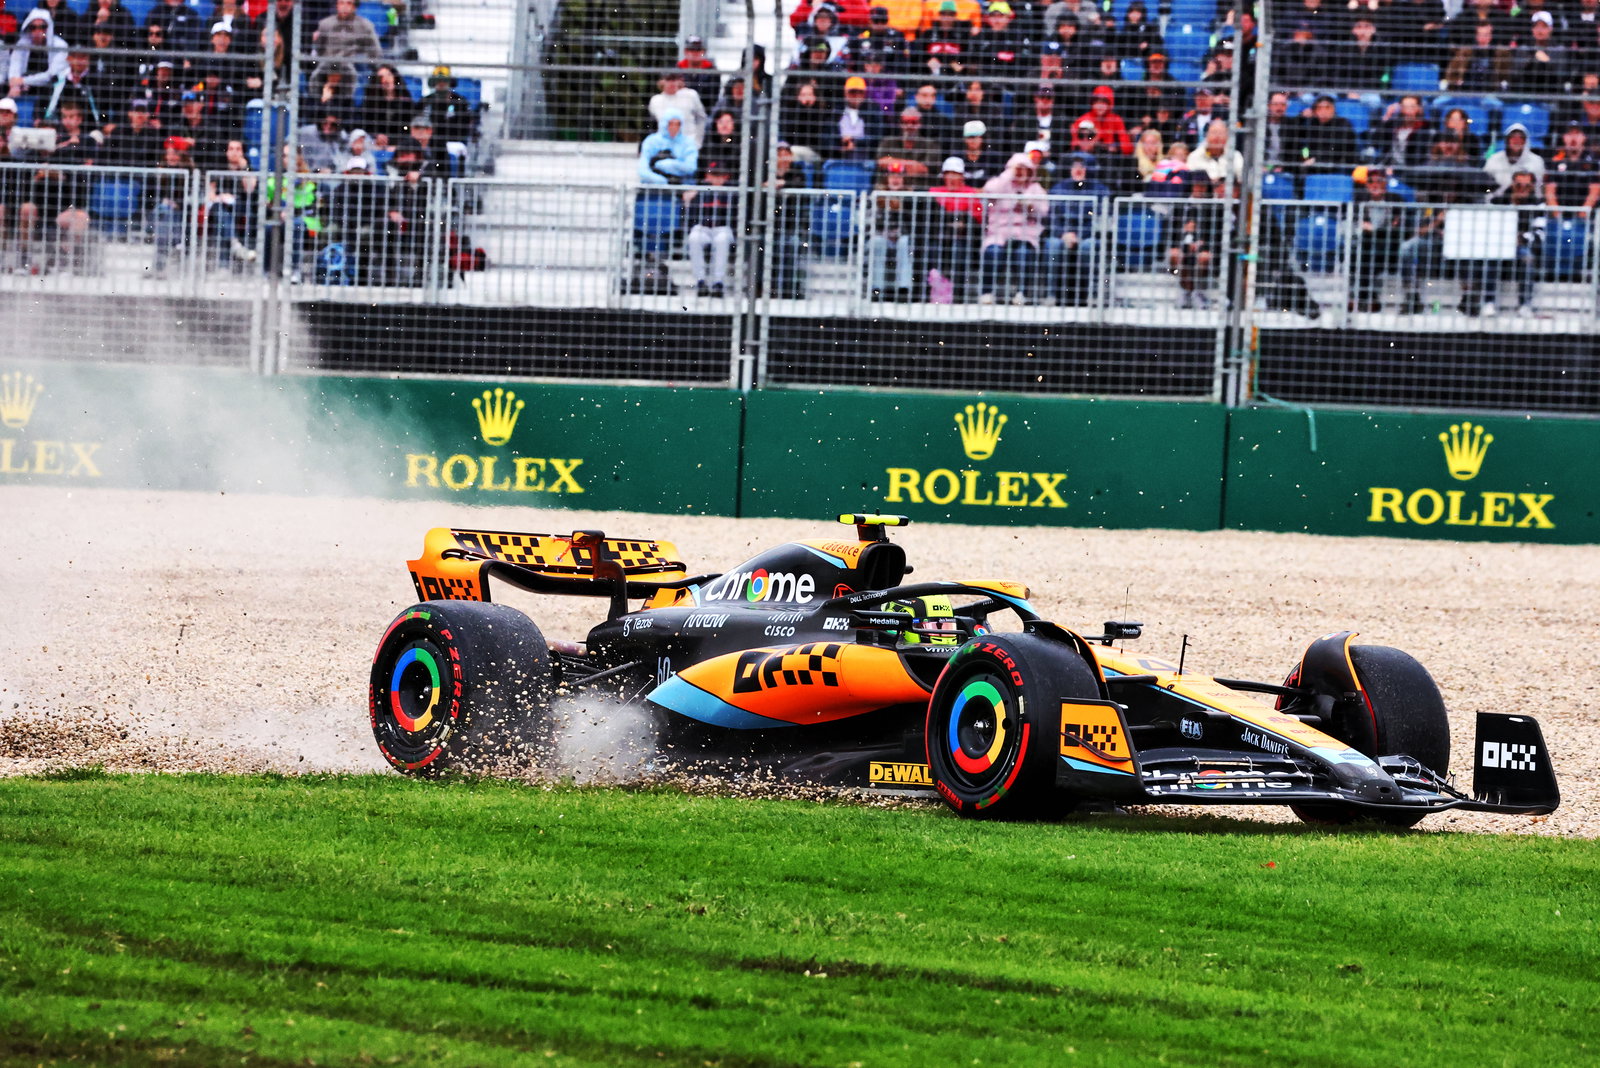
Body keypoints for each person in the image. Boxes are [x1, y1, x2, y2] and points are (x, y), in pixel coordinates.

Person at [979, 151, 1048, 304]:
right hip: (999, 233)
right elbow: (989, 191)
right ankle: (987, 293)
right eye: (1018, 168)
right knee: (993, 252)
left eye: (1024, 169)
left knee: (1023, 253)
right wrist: (1009, 174)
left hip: (1025, 234)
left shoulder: (1035, 188)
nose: (1020, 172)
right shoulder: (1001, 184)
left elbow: (1044, 211)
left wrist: (1030, 206)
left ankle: (1021, 294)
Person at [1044, 152, 1108, 305]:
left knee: (1089, 246)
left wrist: (1079, 234)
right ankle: (1050, 294)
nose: (1078, 170)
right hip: (1063, 235)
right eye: (1074, 166)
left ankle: (1093, 294)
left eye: (1082, 166)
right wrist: (1063, 234)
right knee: (1052, 244)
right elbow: (1052, 217)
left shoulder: (1100, 190)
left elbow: (1100, 218)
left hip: (1087, 235)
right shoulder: (1058, 189)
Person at [1485, 168, 1546, 316]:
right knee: (1490, 257)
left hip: (1522, 245)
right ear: (1512, 184)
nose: (1522, 189)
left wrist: (1521, 238)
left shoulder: (1538, 204)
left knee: (1527, 257)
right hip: (1498, 244)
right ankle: (1488, 302)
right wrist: (1506, 238)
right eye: (1519, 185)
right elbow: (1487, 226)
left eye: (1527, 186)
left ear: (1532, 186)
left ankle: (1525, 304)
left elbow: (1540, 234)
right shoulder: (1497, 201)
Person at [1351, 167, 1409, 313]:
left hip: (1390, 245)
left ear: (1386, 183)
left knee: (1367, 255)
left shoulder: (1396, 199)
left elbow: (1398, 225)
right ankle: (1367, 299)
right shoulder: (1360, 199)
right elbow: (1355, 221)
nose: (1375, 185)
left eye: (1379, 181)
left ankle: (1363, 298)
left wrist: (1373, 228)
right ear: (1366, 184)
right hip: (1367, 244)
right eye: (1371, 181)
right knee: (1360, 252)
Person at [1166, 170, 1225, 309]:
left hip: (1204, 246)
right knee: (1175, 254)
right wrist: (1184, 232)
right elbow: (1171, 231)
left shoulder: (1214, 207)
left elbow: (1216, 233)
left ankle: (1195, 291)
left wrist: (1200, 241)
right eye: (1197, 185)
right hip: (1182, 244)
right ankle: (1185, 291)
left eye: (1203, 186)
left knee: (1204, 257)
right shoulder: (1180, 205)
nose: (1199, 189)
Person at [866, 160, 921, 300]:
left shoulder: (911, 196)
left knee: (904, 243)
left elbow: (914, 222)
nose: (895, 180)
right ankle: (876, 289)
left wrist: (900, 209)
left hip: (902, 237)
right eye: (892, 176)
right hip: (882, 235)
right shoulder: (877, 195)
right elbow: (869, 220)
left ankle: (904, 289)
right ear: (887, 178)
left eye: (899, 176)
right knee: (877, 242)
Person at [761, 141, 810, 299]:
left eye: (785, 154)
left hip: (791, 225)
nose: (782, 158)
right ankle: (769, 287)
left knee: (792, 244)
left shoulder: (797, 171)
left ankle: (790, 287)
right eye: (779, 154)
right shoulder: (765, 171)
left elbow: (801, 185)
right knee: (766, 246)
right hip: (769, 225)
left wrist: (783, 183)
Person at [683, 158, 737, 297]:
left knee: (722, 240)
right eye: (713, 175)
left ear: (726, 176)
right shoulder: (700, 190)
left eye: (720, 175)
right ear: (707, 176)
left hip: (723, 229)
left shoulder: (733, 191)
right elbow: (690, 216)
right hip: (703, 228)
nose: (717, 179)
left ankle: (718, 282)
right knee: (694, 238)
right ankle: (700, 280)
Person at [205, 137, 260, 269]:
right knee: (220, 211)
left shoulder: (249, 169)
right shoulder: (218, 169)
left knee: (223, 221)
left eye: (238, 149)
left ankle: (224, 265)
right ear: (226, 152)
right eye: (231, 149)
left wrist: (244, 168)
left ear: (243, 152)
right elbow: (210, 194)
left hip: (241, 207)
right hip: (221, 206)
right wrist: (221, 197)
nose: (234, 152)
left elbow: (249, 188)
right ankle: (235, 245)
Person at [312, 0, 382, 97]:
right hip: (327, 65)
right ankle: (315, 99)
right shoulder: (325, 24)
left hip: (353, 66)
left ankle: (348, 100)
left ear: (355, 7)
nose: (344, 7)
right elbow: (318, 51)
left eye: (349, 3)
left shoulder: (365, 26)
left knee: (351, 73)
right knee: (316, 75)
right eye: (341, 3)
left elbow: (375, 52)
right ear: (337, 5)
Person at [149, 133, 194, 275]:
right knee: (164, 212)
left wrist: (177, 204)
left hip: (183, 213)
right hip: (162, 213)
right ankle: (176, 245)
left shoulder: (190, 172)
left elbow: (193, 197)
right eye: (168, 153)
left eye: (174, 153)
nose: (170, 157)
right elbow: (151, 196)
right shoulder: (161, 171)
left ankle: (159, 266)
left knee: (167, 216)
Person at [874, 105, 942, 186]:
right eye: (905, 122)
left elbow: (924, 169)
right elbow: (881, 163)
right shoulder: (888, 142)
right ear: (900, 124)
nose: (909, 126)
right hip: (890, 189)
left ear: (920, 124)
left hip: (920, 189)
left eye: (913, 122)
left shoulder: (931, 144)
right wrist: (912, 165)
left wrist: (894, 164)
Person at [9, 11, 70, 101]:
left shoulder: (60, 46)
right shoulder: (22, 43)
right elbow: (15, 68)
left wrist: (23, 81)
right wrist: (15, 85)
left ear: (49, 28)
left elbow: (51, 75)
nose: (38, 31)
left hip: (49, 88)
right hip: (24, 86)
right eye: (33, 27)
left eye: (42, 27)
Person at [1296, 94, 1358, 177]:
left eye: (1327, 108)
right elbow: (1297, 138)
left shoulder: (1344, 124)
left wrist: (1315, 160)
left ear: (1334, 109)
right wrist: (1301, 117)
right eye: (1319, 108)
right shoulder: (1312, 124)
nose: (1323, 111)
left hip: (1337, 166)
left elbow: (1337, 151)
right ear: (1314, 111)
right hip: (1313, 166)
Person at [1545, 123, 1600, 215]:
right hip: (1559, 211)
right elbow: (1550, 191)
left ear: (1584, 137)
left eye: (1577, 133)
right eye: (1570, 134)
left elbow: (1594, 191)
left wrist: (1583, 213)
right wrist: (1557, 214)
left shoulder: (1592, 160)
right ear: (1564, 137)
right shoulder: (1556, 159)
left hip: (1586, 212)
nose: (1573, 138)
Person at [418, 65, 478, 146]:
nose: (441, 83)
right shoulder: (425, 101)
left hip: (454, 143)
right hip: (430, 143)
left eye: (444, 81)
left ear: (450, 82)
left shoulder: (460, 101)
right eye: (438, 81)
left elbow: (469, 121)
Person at [360, 64, 415, 149]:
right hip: (375, 144)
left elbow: (408, 128)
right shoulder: (370, 103)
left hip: (400, 144)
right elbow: (366, 125)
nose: (386, 80)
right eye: (381, 77)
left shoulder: (406, 102)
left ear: (394, 77)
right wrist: (376, 135)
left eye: (388, 75)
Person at [648, 69, 707, 147]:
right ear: (661, 82)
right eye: (668, 79)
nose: (672, 83)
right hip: (664, 147)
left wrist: (698, 141)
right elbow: (652, 126)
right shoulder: (655, 100)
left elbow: (701, 119)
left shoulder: (690, 95)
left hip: (688, 145)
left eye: (675, 79)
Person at [637, 110, 698, 186]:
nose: (674, 127)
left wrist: (672, 164)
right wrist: (658, 180)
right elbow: (642, 168)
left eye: (677, 124)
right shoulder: (651, 141)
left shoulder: (687, 142)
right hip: (654, 185)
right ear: (664, 124)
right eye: (671, 124)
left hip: (680, 185)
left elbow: (691, 167)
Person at [1484, 123, 1547, 197]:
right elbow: (1485, 185)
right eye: (1513, 137)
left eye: (1521, 138)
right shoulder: (1494, 159)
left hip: (1527, 201)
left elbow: (1539, 188)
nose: (1517, 141)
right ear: (1507, 140)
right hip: (1496, 201)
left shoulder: (1537, 161)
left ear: (1525, 141)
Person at [677, 35, 721, 107]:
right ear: (685, 52)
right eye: (691, 49)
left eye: (698, 49)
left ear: (703, 52)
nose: (695, 52)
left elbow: (713, 98)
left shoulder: (712, 71)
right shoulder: (677, 69)